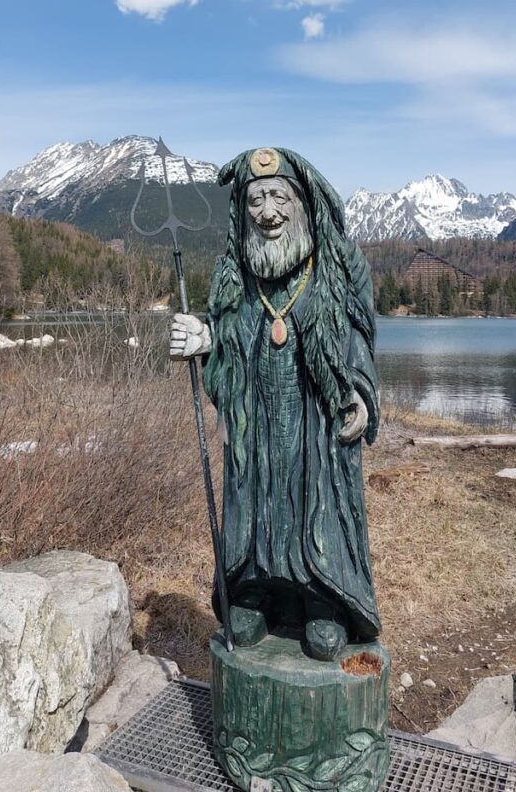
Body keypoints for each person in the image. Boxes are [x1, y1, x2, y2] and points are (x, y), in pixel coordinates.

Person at [170, 147, 381, 661]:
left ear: (300, 203)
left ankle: (322, 599)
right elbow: (227, 330)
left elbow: (356, 340)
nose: (268, 212)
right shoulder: (234, 270)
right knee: (256, 497)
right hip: (256, 420)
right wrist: (205, 338)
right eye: (256, 200)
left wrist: (358, 393)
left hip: (315, 419)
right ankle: (255, 590)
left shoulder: (336, 266)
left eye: (278, 197)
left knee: (316, 502)